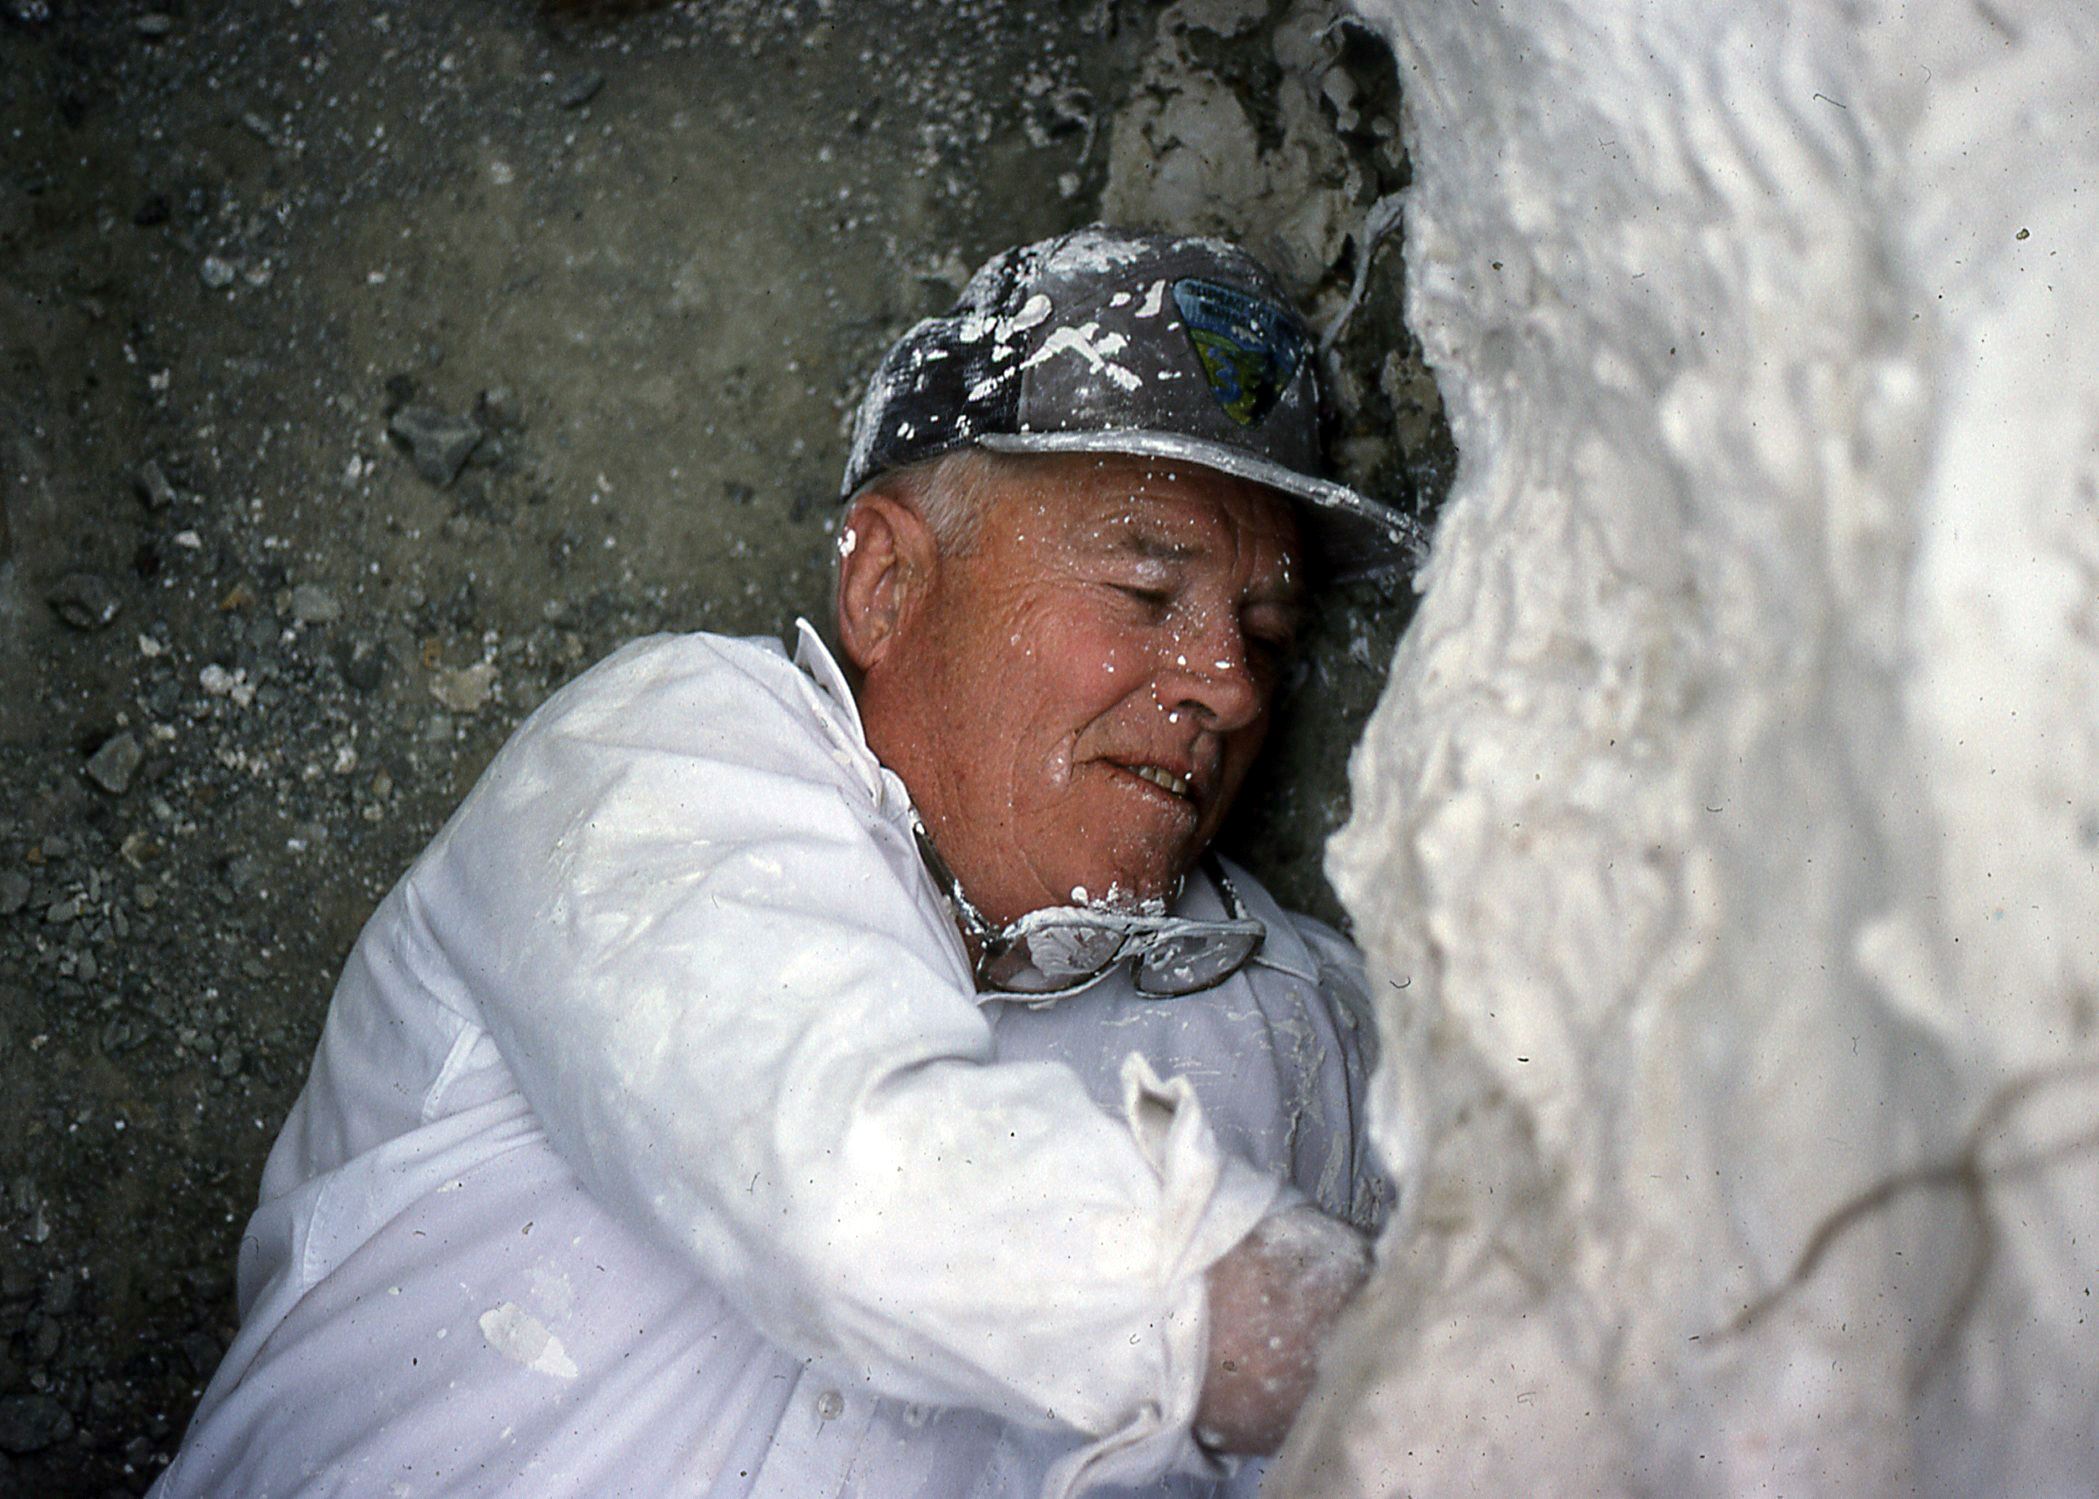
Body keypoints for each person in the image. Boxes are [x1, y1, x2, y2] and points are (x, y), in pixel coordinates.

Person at [152, 226, 1424, 1498]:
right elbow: (850, 1193)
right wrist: (1383, 1348)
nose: (1231, 688)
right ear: (883, 584)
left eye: (1264, 630)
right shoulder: (657, 755)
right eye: (1147, 593)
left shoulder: (1305, 1029)